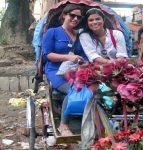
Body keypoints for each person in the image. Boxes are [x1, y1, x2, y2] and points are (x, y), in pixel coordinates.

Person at [42, 4, 87, 136]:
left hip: (76, 71)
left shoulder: (79, 36)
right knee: (74, 89)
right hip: (56, 72)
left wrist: (83, 62)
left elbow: (83, 55)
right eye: (72, 15)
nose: (75, 19)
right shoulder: (53, 32)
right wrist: (67, 57)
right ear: (64, 16)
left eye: (78, 17)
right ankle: (64, 124)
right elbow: (48, 55)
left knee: (93, 90)